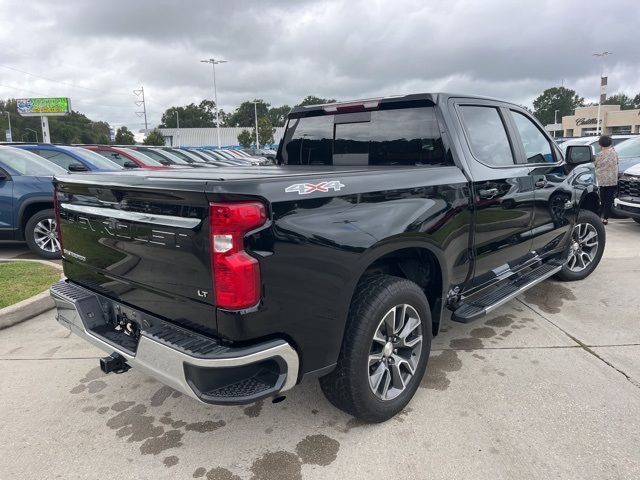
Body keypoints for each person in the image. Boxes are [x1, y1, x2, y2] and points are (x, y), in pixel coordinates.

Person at [593, 135, 619, 225]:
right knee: (609, 200)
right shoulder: (614, 153)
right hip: (612, 180)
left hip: (601, 181)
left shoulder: (599, 155)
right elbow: (617, 162)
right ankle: (605, 218)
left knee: (601, 200)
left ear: (600, 144)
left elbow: (594, 165)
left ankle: (598, 216)